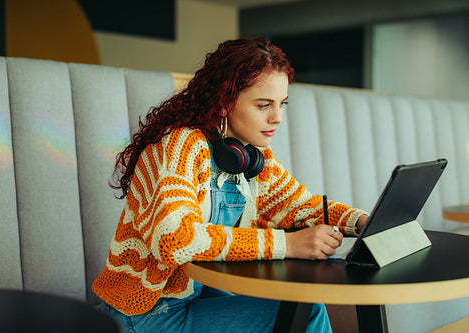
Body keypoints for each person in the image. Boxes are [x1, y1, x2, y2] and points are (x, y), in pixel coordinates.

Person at [92, 36, 369, 333]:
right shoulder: (177, 147)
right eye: (264, 105)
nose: (277, 118)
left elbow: (299, 205)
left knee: (296, 309)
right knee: (305, 314)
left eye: (282, 104)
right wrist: (288, 244)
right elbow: (174, 239)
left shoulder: (251, 157)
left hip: (190, 297)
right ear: (223, 102)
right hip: (146, 313)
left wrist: (361, 221)